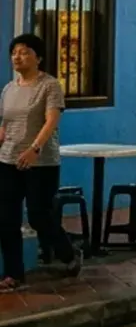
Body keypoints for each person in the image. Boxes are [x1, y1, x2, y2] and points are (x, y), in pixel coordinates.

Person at [0, 34, 79, 288]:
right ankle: (14, 274)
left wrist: (34, 148)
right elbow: (6, 125)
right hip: (8, 160)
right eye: (14, 52)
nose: (17, 57)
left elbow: (52, 120)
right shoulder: (9, 89)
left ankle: (68, 253)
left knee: (38, 214)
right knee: (7, 218)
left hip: (40, 162)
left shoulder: (50, 85)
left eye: (24, 52)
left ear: (38, 57)